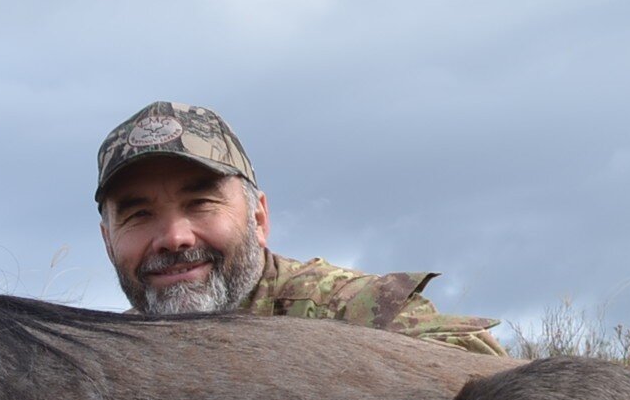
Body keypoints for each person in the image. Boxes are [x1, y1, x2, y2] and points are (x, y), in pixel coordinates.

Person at [94, 101, 505, 354]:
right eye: (138, 215)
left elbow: (489, 384)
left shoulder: (353, 309)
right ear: (108, 242)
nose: (175, 237)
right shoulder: (103, 356)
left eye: (200, 203)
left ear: (258, 219)